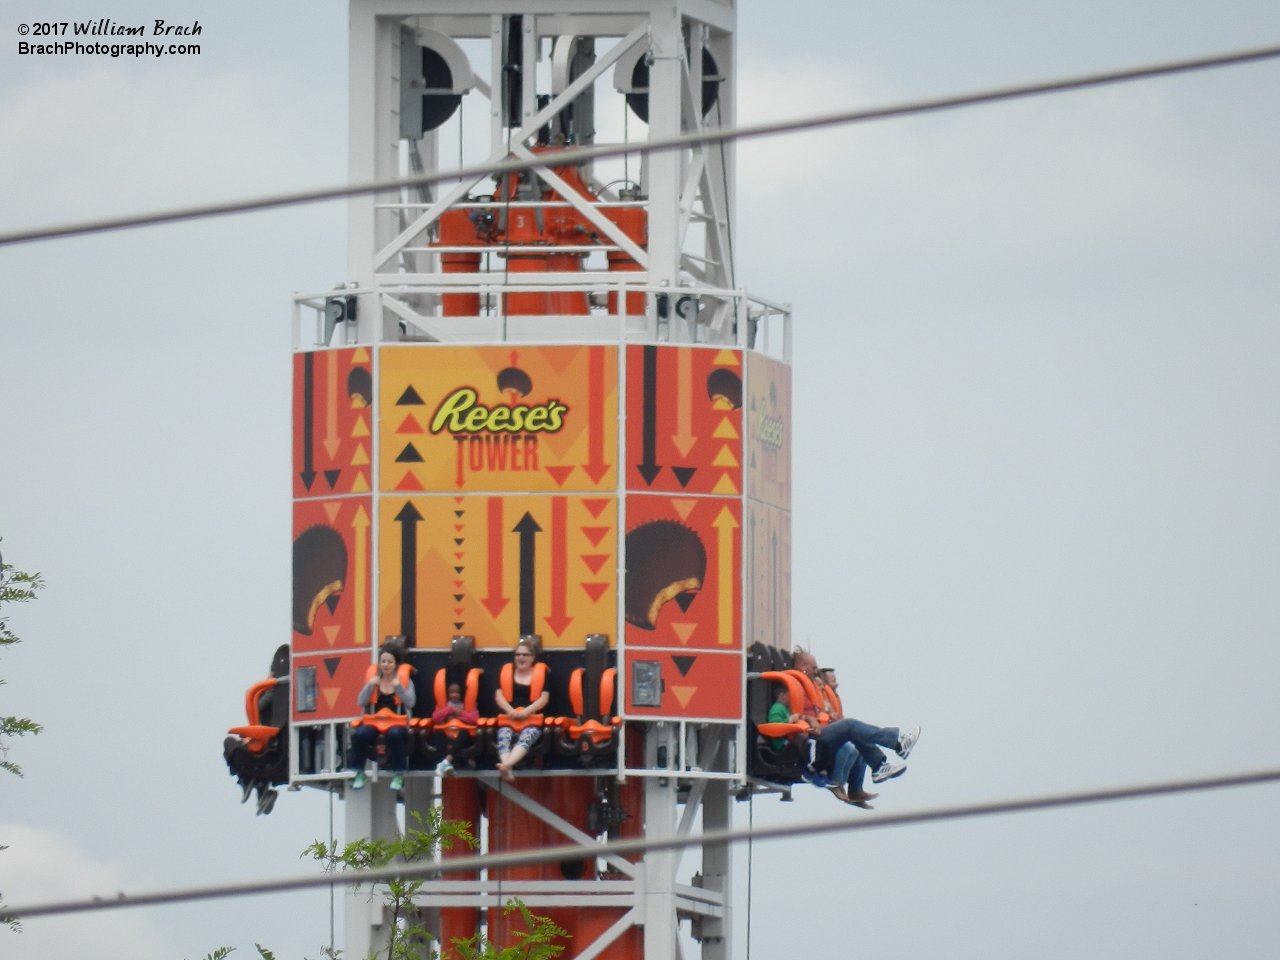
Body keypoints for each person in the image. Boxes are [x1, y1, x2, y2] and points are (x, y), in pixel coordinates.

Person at [348, 642, 417, 792]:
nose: (386, 665)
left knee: (395, 735)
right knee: (360, 734)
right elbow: (360, 701)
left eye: (389, 662)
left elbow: (411, 702)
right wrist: (370, 686)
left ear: (396, 664)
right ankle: (359, 772)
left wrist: (398, 686)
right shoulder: (374, 680)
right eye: (383, 662)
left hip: (395, 722)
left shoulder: (404, 680)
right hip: (375, 721)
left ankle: (399, 774)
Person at [494, 638, 550, 784]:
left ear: (532, 658)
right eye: (518, 654)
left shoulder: (541, 675)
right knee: (504, 736)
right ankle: (507, 768)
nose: (521, 658)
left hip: (530, 719)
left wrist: (527, 711)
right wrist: (510, 710)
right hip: (510, 717)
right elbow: (499, 696)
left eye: (525, 655)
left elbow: (544, 698)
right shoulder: (507, 673)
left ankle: (506, 765)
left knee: (528, 736)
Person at [432, 680, 480, 776]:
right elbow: (435, 718)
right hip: (448, 735)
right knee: (437, 732)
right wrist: (450, 710)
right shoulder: (443, 704)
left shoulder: (467, 704)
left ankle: (445, 762)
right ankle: (446, 763)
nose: (454, 695)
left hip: (463, 737)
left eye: (457, 692)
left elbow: (475, 719)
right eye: (451, 692)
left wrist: (460, 713)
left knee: (463, 732)